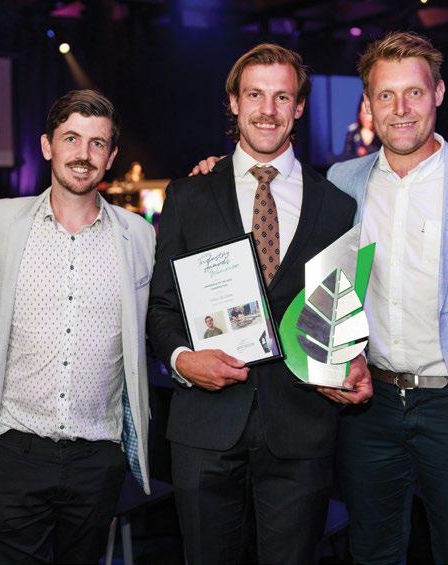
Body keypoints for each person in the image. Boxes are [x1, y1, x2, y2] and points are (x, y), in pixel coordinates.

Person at [147, 43, 372, 565]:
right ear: (233, 102)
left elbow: (341, 308)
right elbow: (161, 306)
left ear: (299, 106)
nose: (267, 110)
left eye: (282, 97)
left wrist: (352, 354)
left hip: (302, 427)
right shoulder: (187, 196)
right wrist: (182, 359)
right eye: (254, 95)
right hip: (205, 427)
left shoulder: (336, 206)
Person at [0, 89, 155, 564]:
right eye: (71, 138)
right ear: (46, 145)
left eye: (98, 143)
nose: (83, 154)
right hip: (12, 450)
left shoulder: (139, 236)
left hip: (98, 458)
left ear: (111, 156)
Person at [327, 31, 448, 564]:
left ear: (437, 92)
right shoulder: (343, 180)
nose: (400, 109)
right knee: (372, 550)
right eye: (385, 95)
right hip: (368, 405)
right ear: (369, 103)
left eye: (413, 92)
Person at [341, 96, 380, 160]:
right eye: (366, 113)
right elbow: (346, 157)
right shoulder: (353, 132)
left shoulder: (382, 134)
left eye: (372, 113)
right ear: (359, 114)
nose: (370, 118)